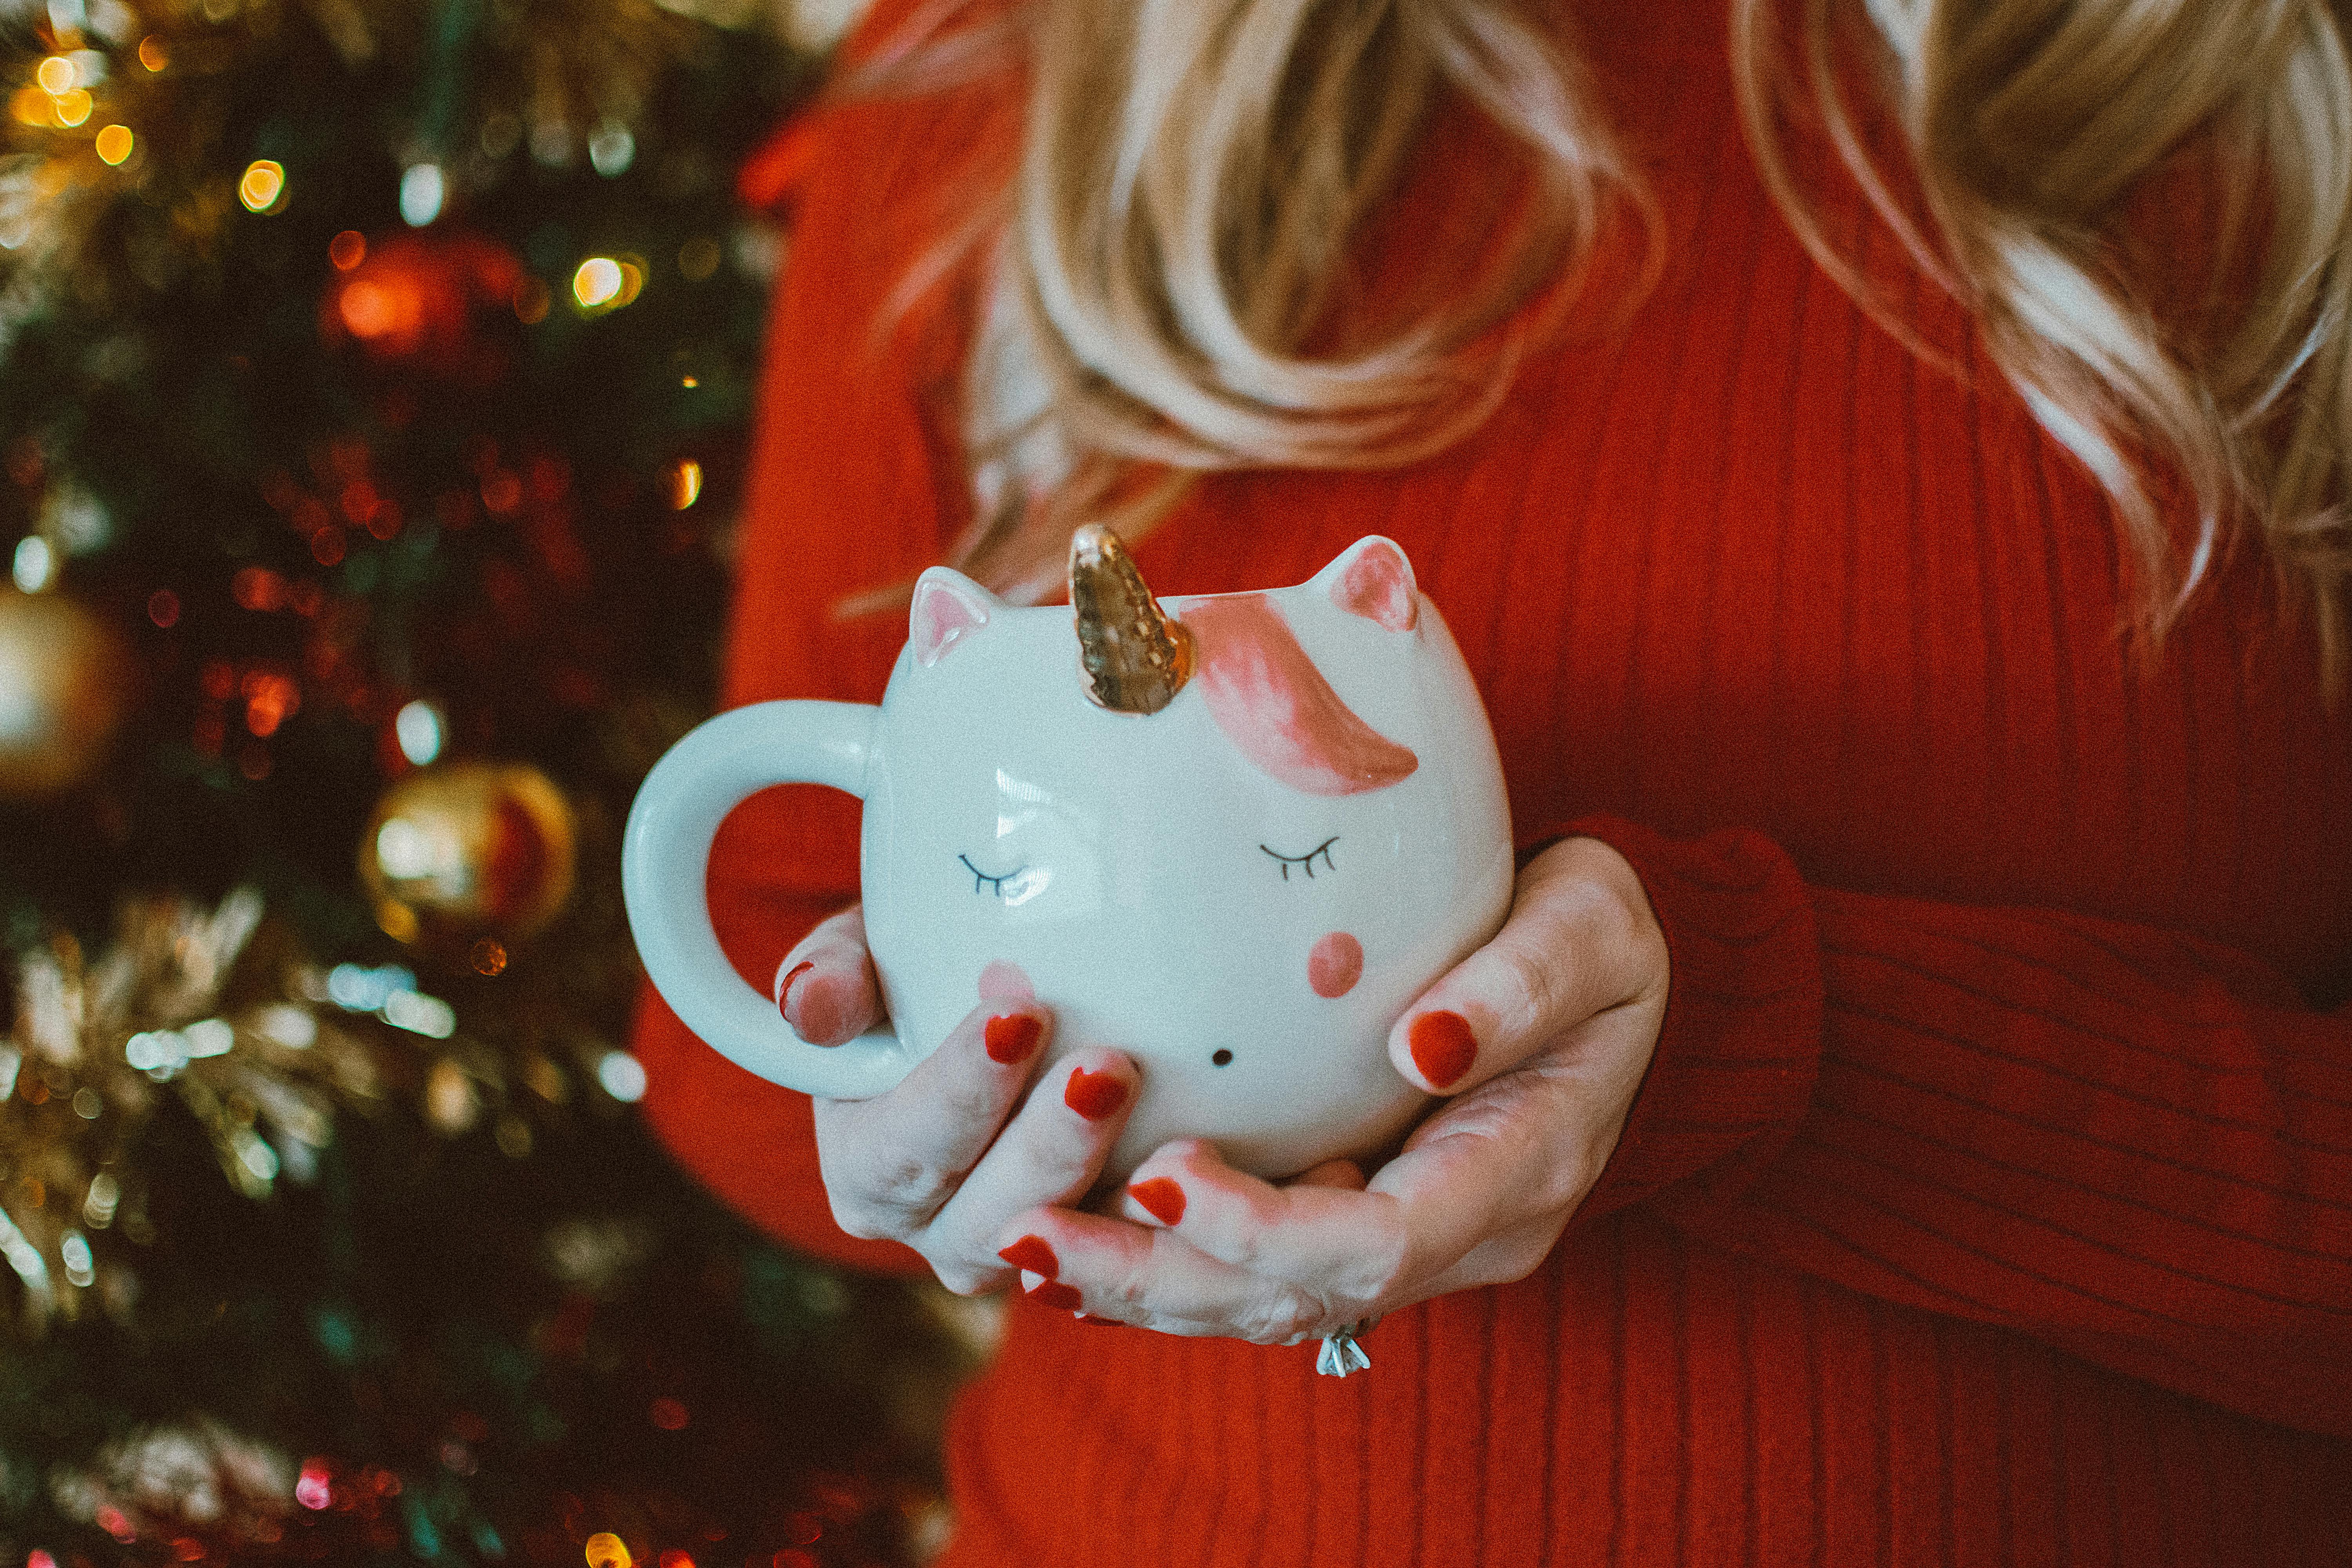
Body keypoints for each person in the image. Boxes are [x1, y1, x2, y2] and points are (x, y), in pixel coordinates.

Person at [635, 0, 2352, 1561]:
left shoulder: (2286, 118)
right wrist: (915, 1112)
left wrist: (1770, 1043)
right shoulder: (1012, 86)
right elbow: (754, 999)